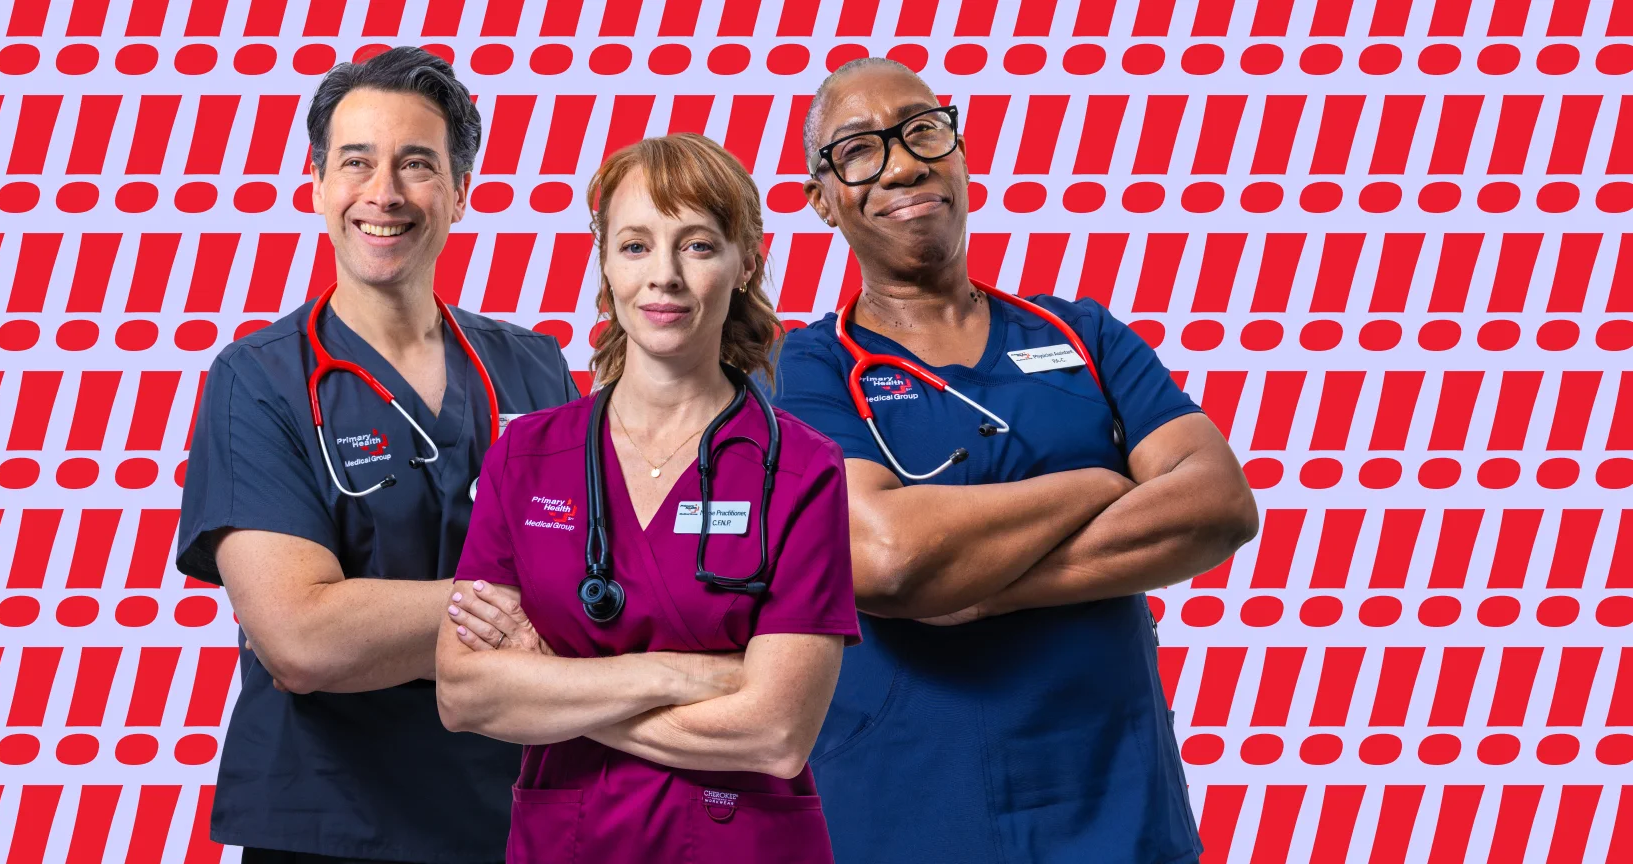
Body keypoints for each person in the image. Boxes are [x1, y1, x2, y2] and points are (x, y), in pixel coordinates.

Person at [772, 58, 1262, 863]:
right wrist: (1098, 483)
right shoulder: (807, 368)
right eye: (859, 148)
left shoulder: (1083, 336)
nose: (903, 162)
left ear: (960, 153)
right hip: (910, 806)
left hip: (1113, 800)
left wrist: (972, 591)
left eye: (925, 129)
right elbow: (887, 559)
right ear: (821, 200)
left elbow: (1218, 504)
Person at [174, 47, 580, 863]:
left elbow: (595, 588)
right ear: (318, 183)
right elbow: (303, 640)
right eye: (356, 162)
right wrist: (512, 598)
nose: (384, 193)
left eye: (417, 164)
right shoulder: (259, 382)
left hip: (521, 818)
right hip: (334, 826)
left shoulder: (533, 367)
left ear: (460, 192)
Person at [431, 134, 859, 864]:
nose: (663, 277)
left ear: (745, 261)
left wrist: (552, 683)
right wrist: (685, 675)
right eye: (635, 246)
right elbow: (465, 696)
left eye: (696, 245)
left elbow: (778, 733)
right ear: (605, 263)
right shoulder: (526, 458)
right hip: (569, 841)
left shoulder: (802, 471)